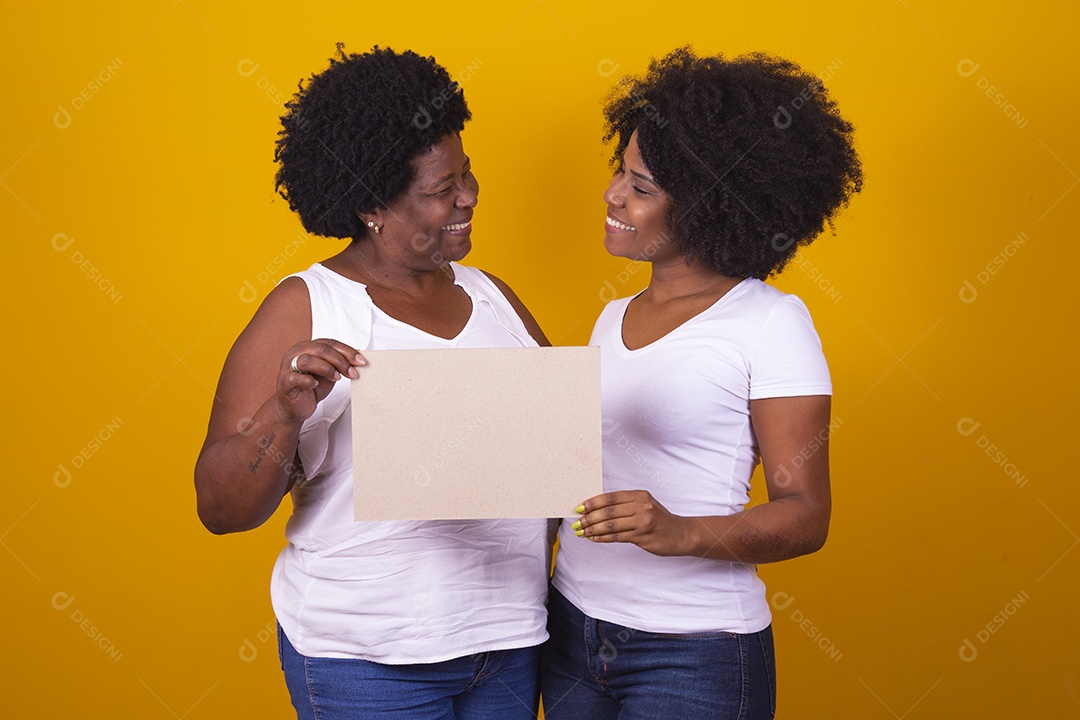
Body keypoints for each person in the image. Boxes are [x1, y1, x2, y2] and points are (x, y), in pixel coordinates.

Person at [194, 45, 551, 720]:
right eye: (442, 190)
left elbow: (559, 464)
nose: (468, 196)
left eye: (468, 175)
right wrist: (283, 414)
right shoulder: (307, 306)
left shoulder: (496, 299)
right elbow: (220, 508)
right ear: (370, 206)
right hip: (364, 659)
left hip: (505, 646)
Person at [541, 47, 862, 719]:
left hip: (693, 651)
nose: (613, 195)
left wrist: (681, 531)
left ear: (710, 206)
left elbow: (806, 514)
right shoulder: (611, 316)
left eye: (642, 188)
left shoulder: (771, 323)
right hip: (572, 628)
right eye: (620, 172)